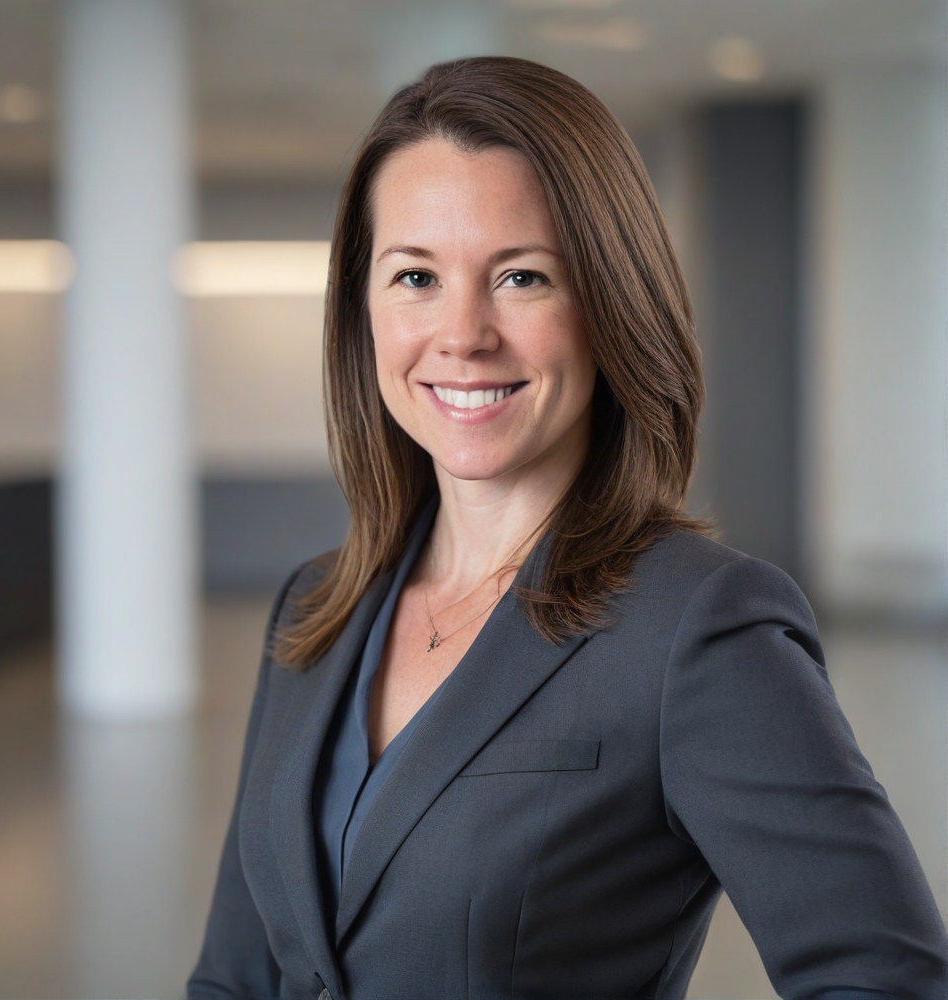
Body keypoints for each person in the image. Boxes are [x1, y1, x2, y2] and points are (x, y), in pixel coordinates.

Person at [188, 57, 948, 1000]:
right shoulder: (313, 612)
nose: (462, 334)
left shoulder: (698, 628)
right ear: (363, 313)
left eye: (521, 276)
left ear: (609, 305)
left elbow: (883, 978)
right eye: (416, 275)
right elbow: (234, 978)